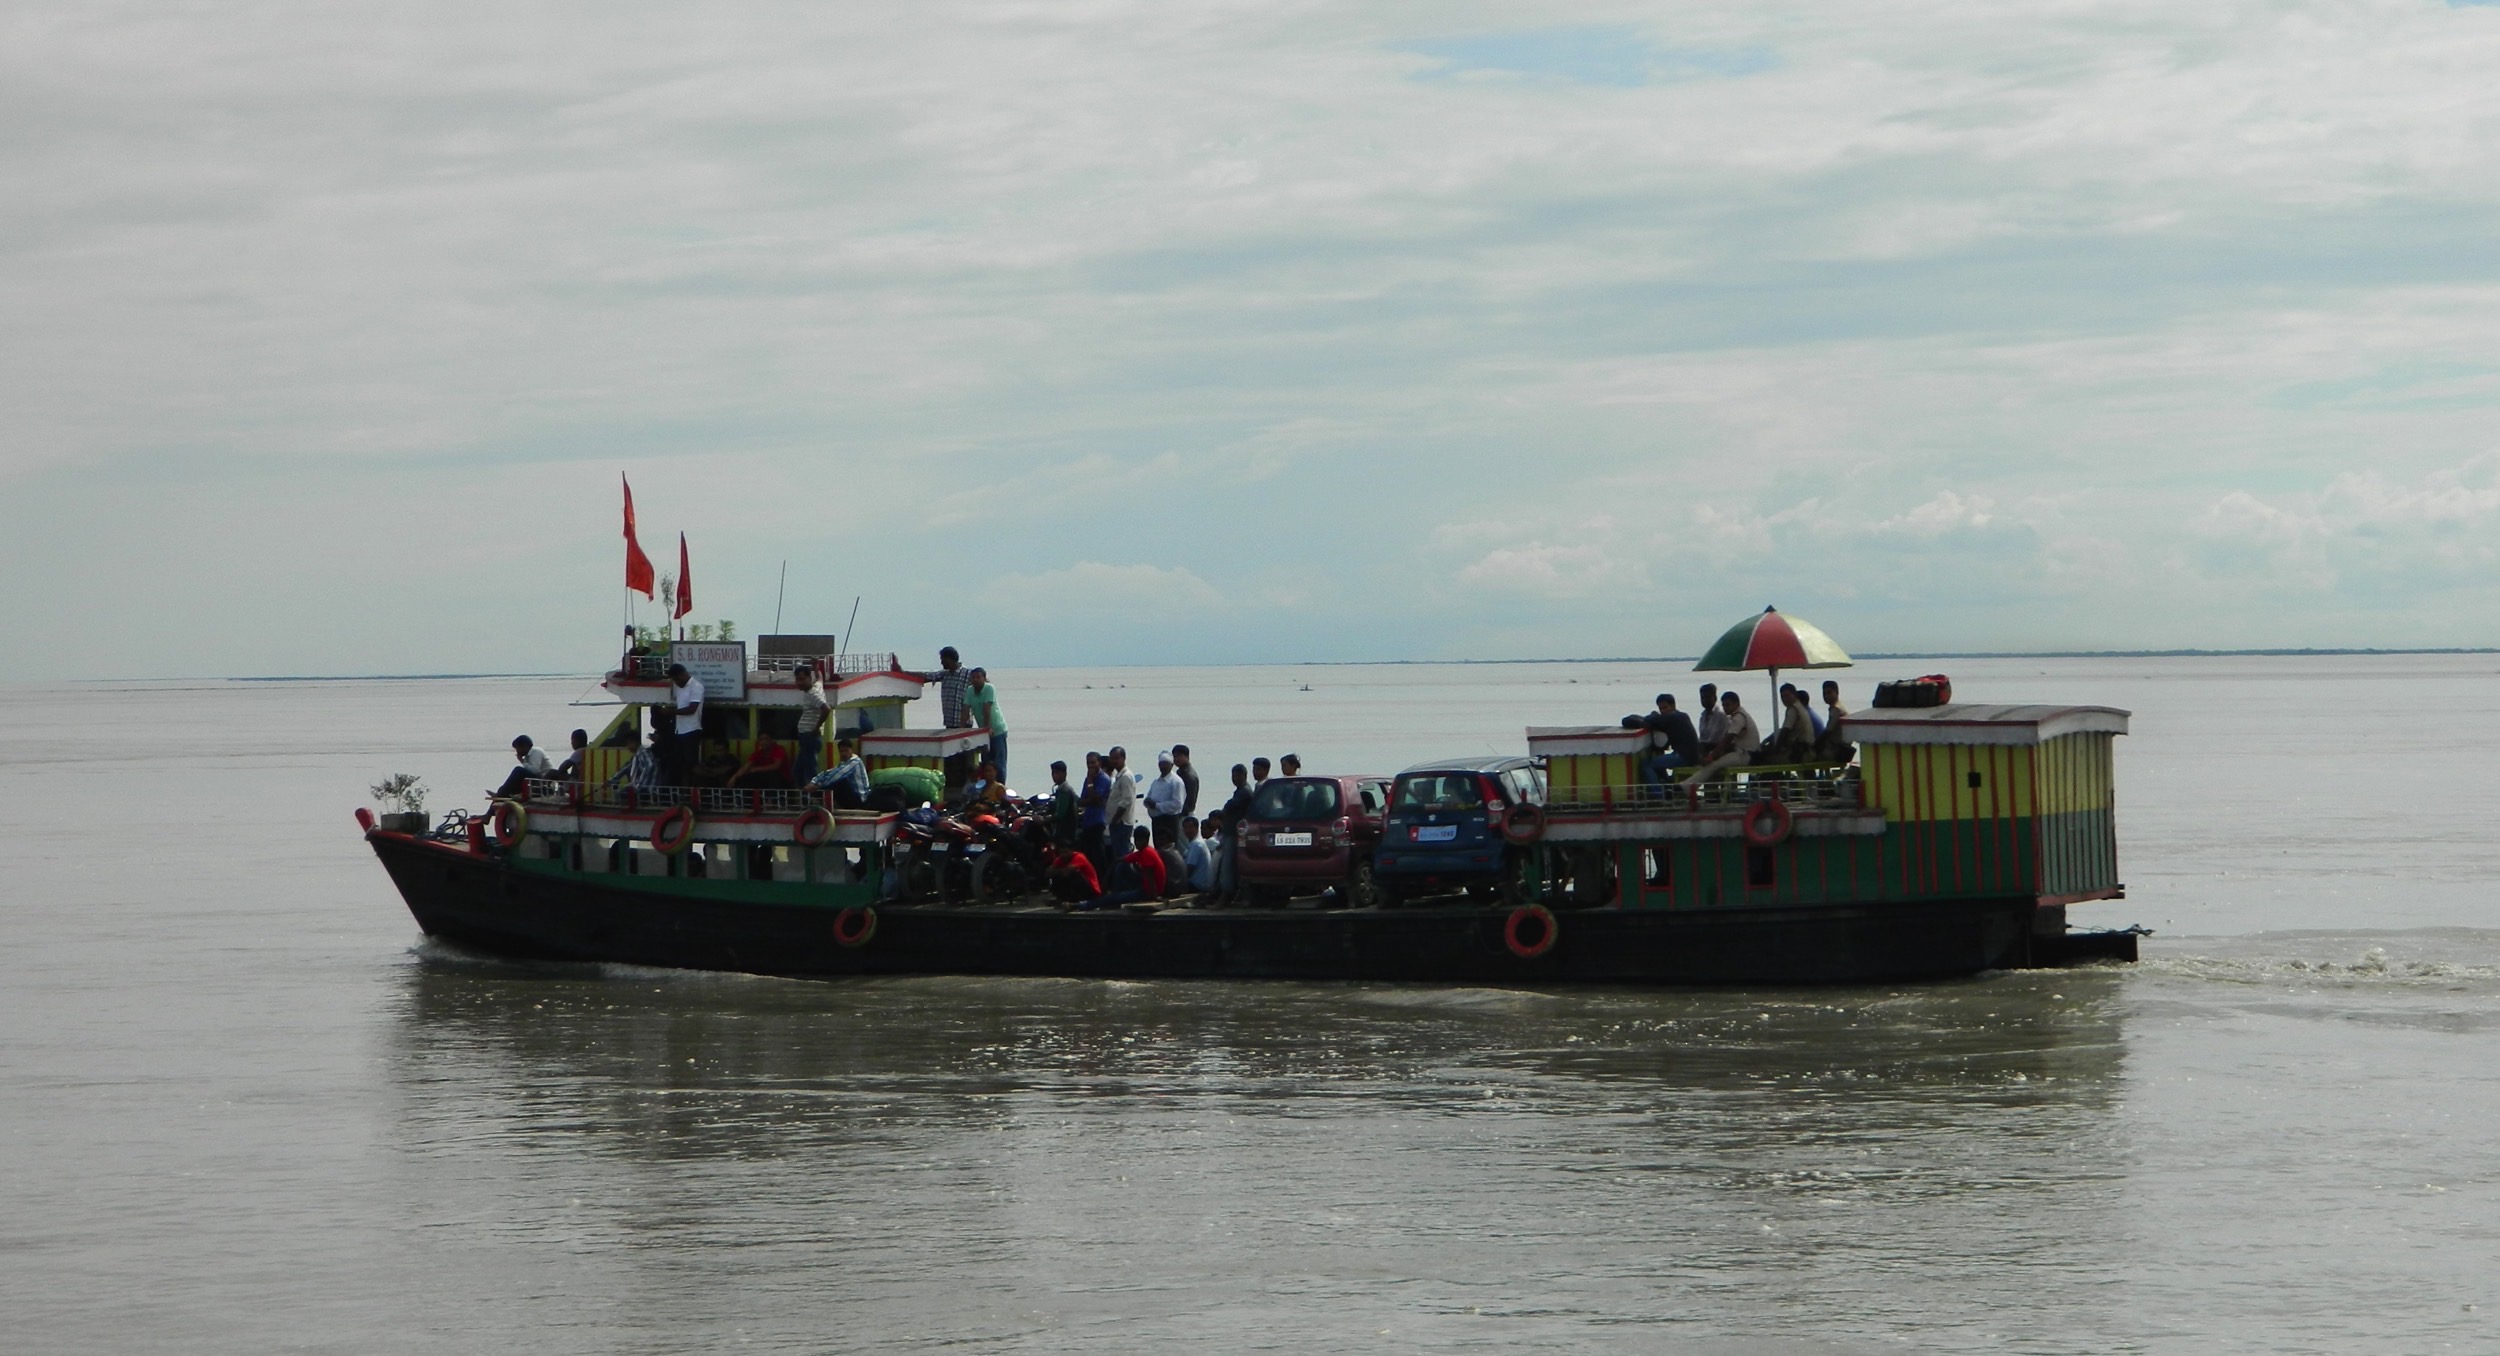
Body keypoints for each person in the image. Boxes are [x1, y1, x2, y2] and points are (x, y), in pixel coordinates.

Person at [1688, 691, 1762, 787]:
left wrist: (1712, 756)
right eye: (1723, 705)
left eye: (1728, 705)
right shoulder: (1739, 716)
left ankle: (1689, 786)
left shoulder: (1739, 717)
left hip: (1746, 755)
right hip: (1743, 754)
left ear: (1737, 703)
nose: (1725, 708)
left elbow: (1728, 739)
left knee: (1713, 765)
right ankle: (1694, 786)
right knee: (1715, 765)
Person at [1211, 763, 1254, 904]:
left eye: (1237, 775)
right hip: (1231, 833)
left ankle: (1226, 894)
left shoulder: (1245, 792)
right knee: (1230, 864)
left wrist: (1224, 811)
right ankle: (1229, 894)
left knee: (1228, 865)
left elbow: (1229, 807)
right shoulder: (1240, 791)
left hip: (1234, 834)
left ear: (1244, 776)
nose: (1234, 778)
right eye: (1233, 775)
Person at [1095, 826, 1167, 907]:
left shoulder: (1147, 853)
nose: (1137, 843)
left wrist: (1155, 897)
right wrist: (1106, 879)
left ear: (1146, 840)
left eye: (1140, 840)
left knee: (1113, 898)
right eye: (1136, 840)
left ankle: (1086, 905)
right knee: (1122, 865)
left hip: (1148, 892)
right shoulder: (1142, 851)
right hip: (1146, 886)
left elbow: (1150, 878)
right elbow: (1118, 860)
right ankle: (1116, 892)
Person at [1639, 695, 1702, 786]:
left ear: (1673, 706)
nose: (1663, 711)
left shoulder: (1674, 717)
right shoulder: (1682, 716)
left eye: (1665, 707)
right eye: (1660, 708)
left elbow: (1650, 719)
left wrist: (1653, 715)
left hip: (1684, 757)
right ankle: (1667, 785)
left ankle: (1658, 794)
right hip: (1690, 755)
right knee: (1658, 762)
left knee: (1646, 765)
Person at [662, 663, 705, 787]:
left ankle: (695, 791)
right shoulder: (680, 688)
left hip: (692, 729)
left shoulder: (696, 687)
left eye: (676, 679)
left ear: (682, 675)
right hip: (680, 730)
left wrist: (671, 712)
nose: (675, 683)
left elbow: (692, 709)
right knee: (680, 764)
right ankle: (684, 791)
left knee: (691, 764)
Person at [964, 666, 1007, 782]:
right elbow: (965, 709)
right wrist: (961, 729)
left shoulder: (989, 688)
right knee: (986, 762)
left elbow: (986, 709)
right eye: (973, 678)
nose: (976, 680)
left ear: (984, 678)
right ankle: (986, 788)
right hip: (983, 732)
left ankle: (1001, 788)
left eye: (979, 677)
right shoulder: (969, 690)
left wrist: (987, 729)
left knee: (998, 762)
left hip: (997, 730)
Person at [808, 737, 871, 808]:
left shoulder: (855, 762)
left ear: (851, 750)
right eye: (841, 751)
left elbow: (837, 775)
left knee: (841, 782)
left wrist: (818, 787)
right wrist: (814, 781)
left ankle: (818, 797)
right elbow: (827, 772)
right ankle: (819, 798)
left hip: (861, 800)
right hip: (852, 798)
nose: (843, 754)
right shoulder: (843, 764)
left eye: (846, 751)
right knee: (836, 781)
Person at [793, 663, 830, 783]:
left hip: (810, 736)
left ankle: (816, 797)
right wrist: (816, 668)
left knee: (810, 771)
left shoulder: (812, 694)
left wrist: (816, 727)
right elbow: (820, 678)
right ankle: (807, 797)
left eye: (802, 679)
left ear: (809, 678)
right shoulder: (817, 687)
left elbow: (826, 709)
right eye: (797, 680)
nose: (799, 682)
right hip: (806, 737)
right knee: (799, 770)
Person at [1102, 746, 1139, 859]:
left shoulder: (1126, 776)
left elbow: (1126, 801)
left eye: (1116, 758)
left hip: (1122, 822)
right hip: (1117, 822)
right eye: (1112, 759)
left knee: (1122, 855)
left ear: (1123, 758)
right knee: (1117, 854)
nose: (1114, 761)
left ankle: (1126, 875)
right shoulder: (1119, 776)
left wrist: (1115, 819)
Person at [1077, 751, 1111, 875]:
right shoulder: (1088, 779)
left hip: (1098, 821)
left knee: (1099, 856)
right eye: (1088, 763)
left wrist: (1091, 781)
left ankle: (1103, 883)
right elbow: (1083, 800)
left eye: (1093, 762)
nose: (1090, 766)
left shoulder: (1103, 778)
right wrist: (1090, 800)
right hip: (1088, 820)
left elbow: (1096, 798)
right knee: (1089, 854)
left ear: (1099, 763)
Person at [1145, 751, 1187, 847]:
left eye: (1165, 764)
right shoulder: (1156, 782)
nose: (1163, 766)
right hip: (1156, 821)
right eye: (1161, 764)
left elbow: (1178, 804)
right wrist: (1147, 802)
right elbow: (1149, 796)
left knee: (1169, 848)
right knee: (1158, 848)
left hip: (1169, 821)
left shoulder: (1176, 782)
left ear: (1171, 765)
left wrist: (1157, 805)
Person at [491, 735, 552, 799]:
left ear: (524, 746)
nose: (517, 751)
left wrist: (522, 761)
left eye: (518, 748)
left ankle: (501, 793)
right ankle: (503, 793)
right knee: (515, 779)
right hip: (537, 779)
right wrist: (523, 761)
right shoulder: (528, 756)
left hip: (545, 779)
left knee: (518, 770)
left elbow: (535, 770)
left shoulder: (536, 751)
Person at [728, 736, 795, 790]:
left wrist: (756, 769)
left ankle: (771, 802)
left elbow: (776, 766)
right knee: (746, 777)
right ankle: (740, 801)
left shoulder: (779, 750)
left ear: (772, 741)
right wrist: (734, 777)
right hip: (767, 782)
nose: (764, 742)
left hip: (784, 781)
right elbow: (746, 767)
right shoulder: (758, 753)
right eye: (761, 740)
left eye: (766, 739)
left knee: (773, 774)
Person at [1817, 680, 1855, 765]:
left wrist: (1815, 745)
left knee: (1808, 756)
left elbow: (1828, 731)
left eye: (1829, 693)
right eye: (1824, 694)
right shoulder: (1838, 707)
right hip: (1839, 748)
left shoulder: (1836, 709)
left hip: (1837, 751)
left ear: (1837, 692)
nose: (1826, 696)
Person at [1046, 760, 1079, 845]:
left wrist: (1043, 820)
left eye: (1057, 773)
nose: (1054, 776)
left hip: (1065, 830)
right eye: (1053, 773)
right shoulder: (1065, 788)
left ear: (1064, 774)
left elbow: (1060, 814)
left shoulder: (1064, 790)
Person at [935, 646, 969, 728]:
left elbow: (986, 686)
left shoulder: (968, 673)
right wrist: (903, 672)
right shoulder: (944, 674)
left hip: (965, 723)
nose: (941, 663)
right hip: (949, 723)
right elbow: (926, 675)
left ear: (949, 659)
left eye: (942, 660)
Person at [1181, 815, 1214, 892]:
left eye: (1190, 827)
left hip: (1197, 885)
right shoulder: (1194, 843)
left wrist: (1179, 881)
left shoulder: (1196, 844)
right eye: (1185, 828)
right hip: (1198, 884)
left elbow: (1190, 868)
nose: (1188, 830)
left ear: (1196, 828)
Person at [1170, 744, 1201, 817]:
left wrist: (1179, 814)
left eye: (1179, 756)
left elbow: (1190, 801)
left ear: (1187, 756)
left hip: (1185, 815)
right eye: (1174, 756)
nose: (1176, 759)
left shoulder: (1189, 775)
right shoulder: (1181, 772)